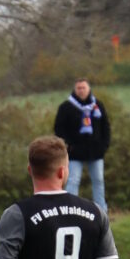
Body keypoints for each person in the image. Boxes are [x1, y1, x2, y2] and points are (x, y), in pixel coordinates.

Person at [54, 78, 111, 212]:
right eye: (78, 88)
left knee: (98, 181)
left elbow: (106, 127)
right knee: (73, 181)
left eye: (83, 88)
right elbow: (59, 129)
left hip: (95, 152)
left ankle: (101, 211)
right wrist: (68, 146)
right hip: (74, 153)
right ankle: (70, 210)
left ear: (89, 88)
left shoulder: (97, 105)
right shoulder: (66, 107)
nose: (81, 91)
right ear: (75, 89)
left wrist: (104, 146)